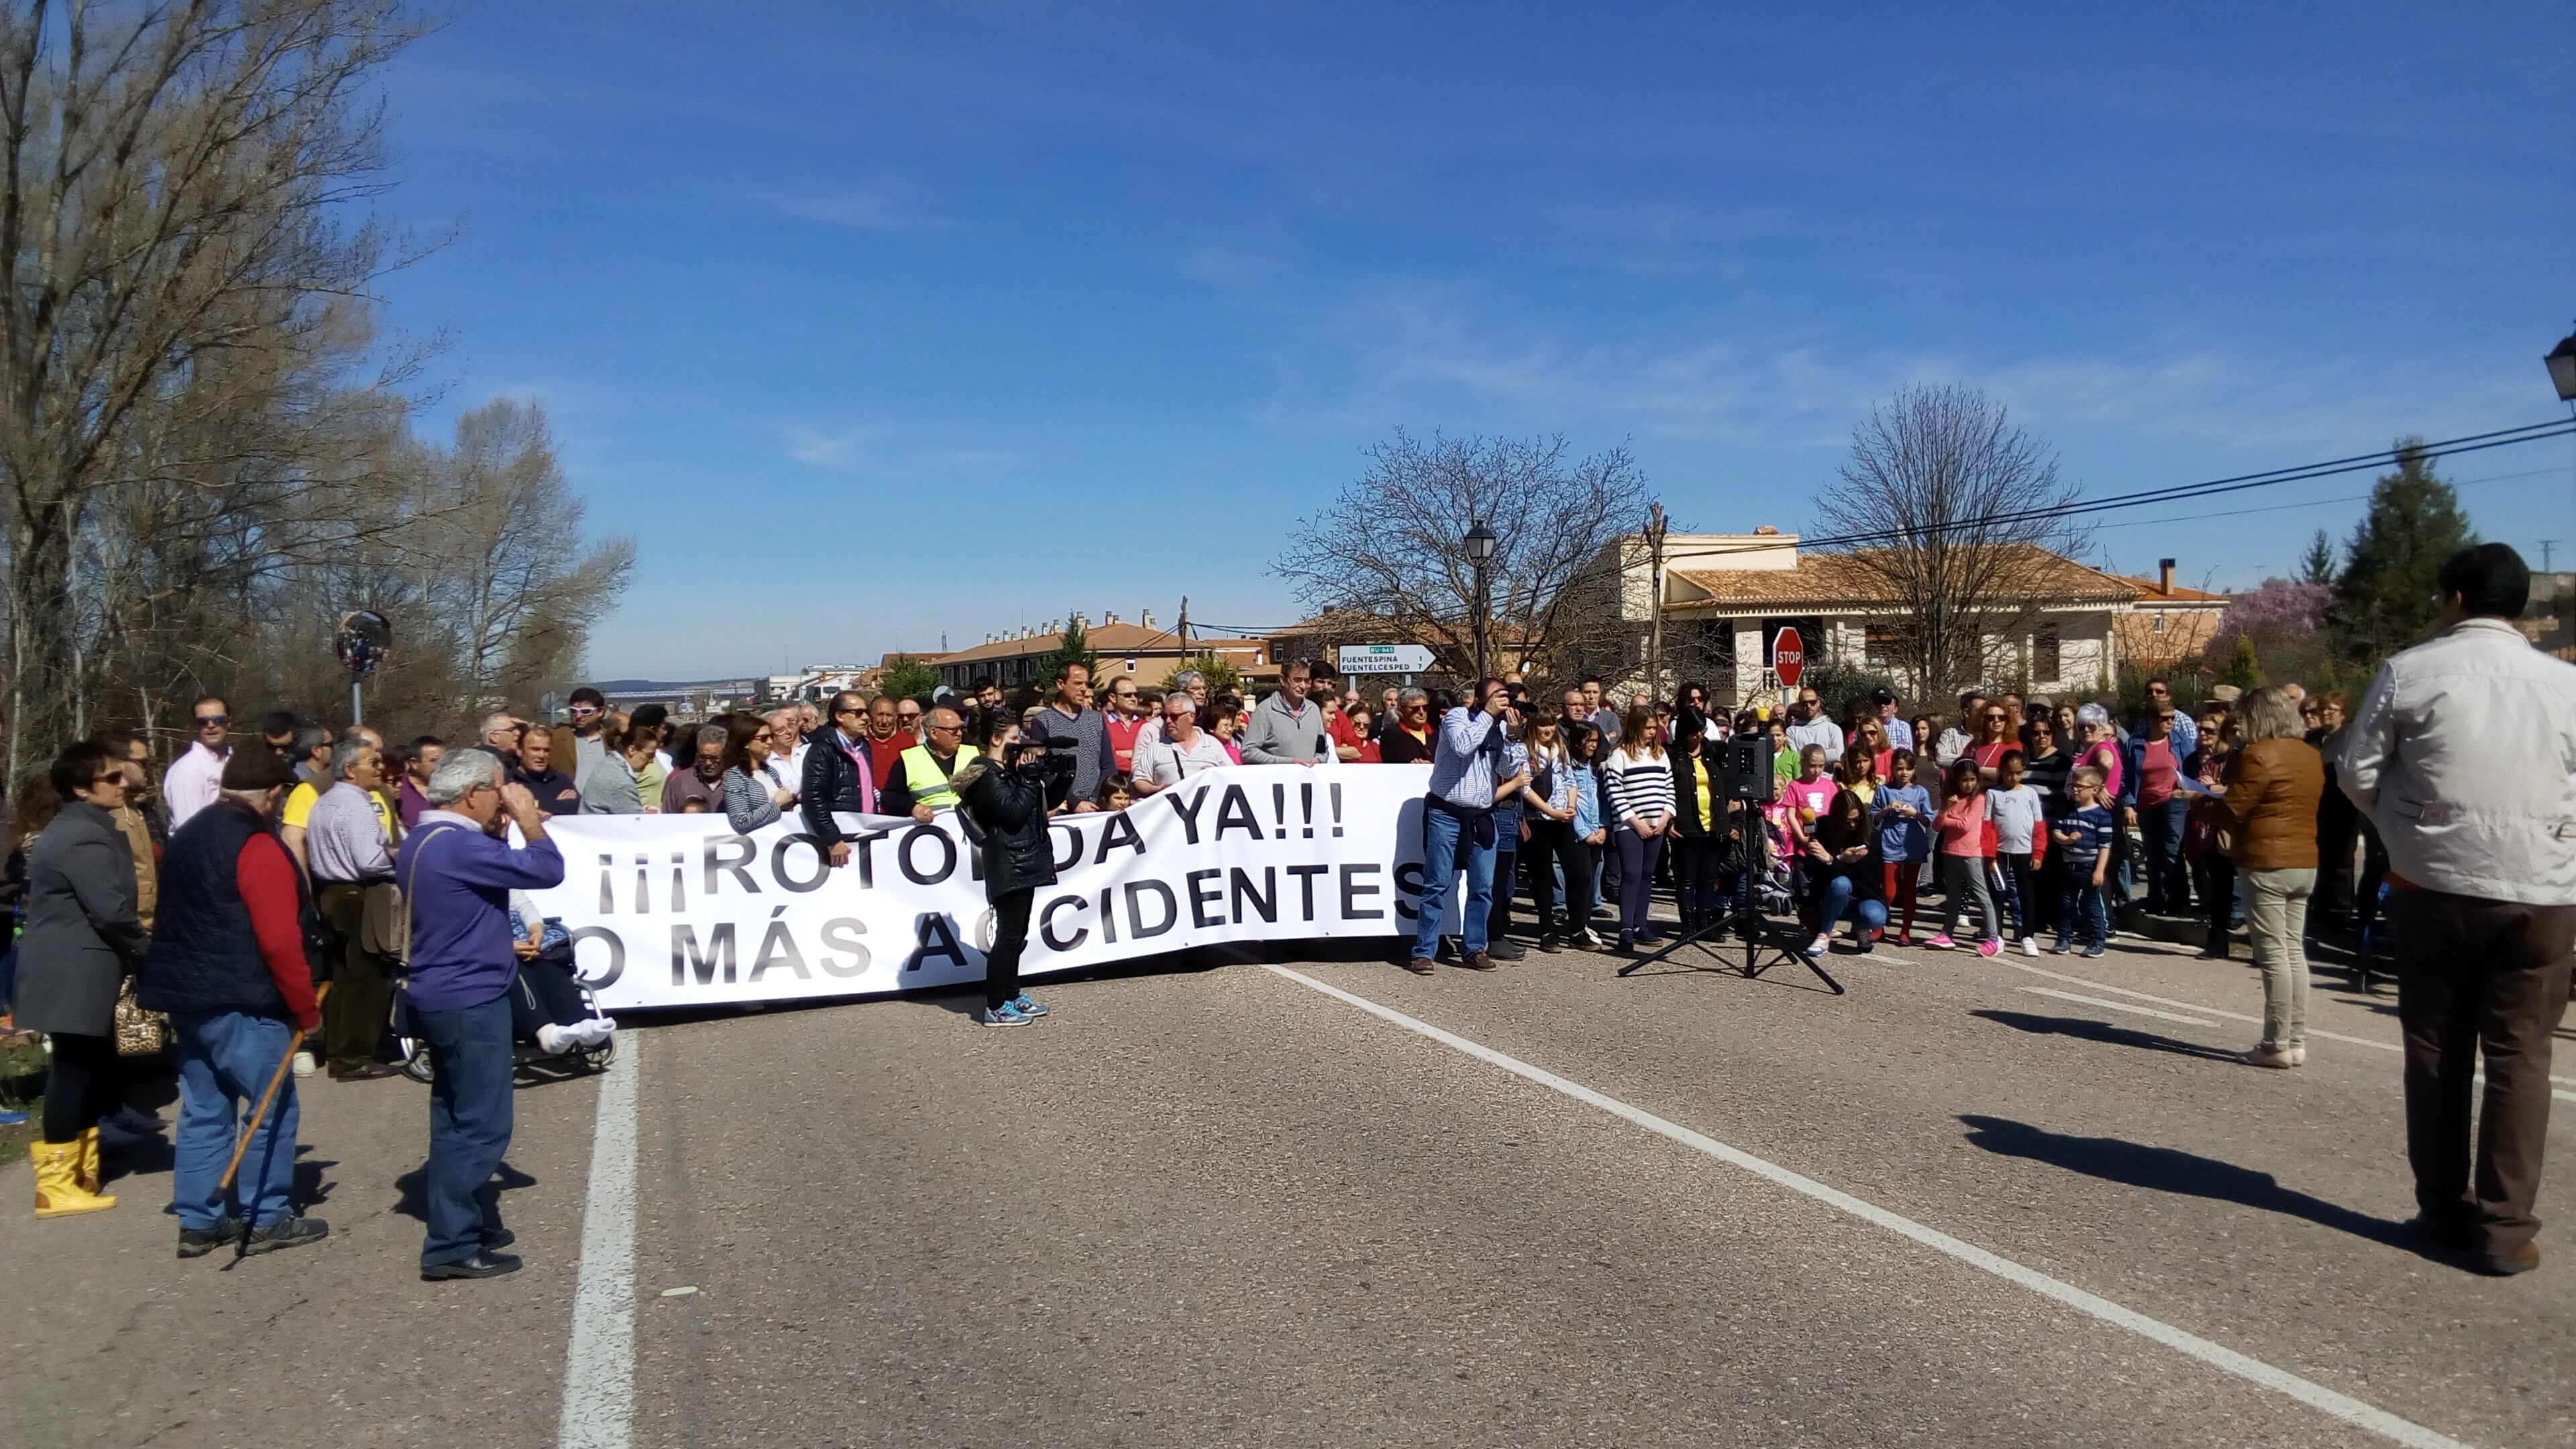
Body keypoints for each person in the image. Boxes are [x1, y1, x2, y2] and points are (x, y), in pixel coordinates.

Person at [2338, 543, 2576, 1276]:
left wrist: (2404, 835)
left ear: (2456, 599)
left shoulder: (2413, 671)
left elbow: (2356, 771)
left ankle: (2442, 1209)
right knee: (2521, 1058)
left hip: (2434, 884)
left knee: (2438, 1050)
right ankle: (2506, 1229)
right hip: (2541, 888)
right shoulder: (2566, 684)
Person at [134, 747, 328, 1255]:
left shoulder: (190, 834)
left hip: (189, 995)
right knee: (271, 1108)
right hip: (244, 997)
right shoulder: (255, 844)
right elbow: (278, 937)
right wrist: (305, 1007)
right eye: (280, 795)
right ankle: (267, 1215)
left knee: (203, 1110)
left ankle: (199, 1220)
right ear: (270, 794)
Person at [398, 747, 564, 1280]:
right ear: (472, 795)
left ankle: (462, 1216)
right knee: (483, 1125)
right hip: (470, 999)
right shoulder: (457, 847)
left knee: (452, 1116)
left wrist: (502, 821)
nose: (507, 801)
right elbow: (547, 868)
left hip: (438, 994)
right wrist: (529, 820)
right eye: (499, 791)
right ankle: (450, 1244)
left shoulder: (423, 841)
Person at [16, 742, 152, 1218]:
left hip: (81, 964)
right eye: (111, 778)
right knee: (71, 1071)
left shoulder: (90, 827)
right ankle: (54, 1184)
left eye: (122, 776)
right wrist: (147, 950)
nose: (123, 783)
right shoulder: (82, 835)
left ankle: (80, 1170)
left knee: (86, 1067)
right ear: (80, 788)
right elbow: (110, 909)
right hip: (71, 967)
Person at [2199, 686, 2323, 1060]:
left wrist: (2197, 802)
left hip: (2266, 861)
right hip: (2304, 860)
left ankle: (2275, 1044)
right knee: (2292, 951)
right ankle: (2296, 1040)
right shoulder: (2309, 755)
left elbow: (2231, 811)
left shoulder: (2258, 754)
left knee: (2272, 955)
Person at [953, 709, 1071, 1026]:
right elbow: (1013, 814)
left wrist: (1062, 777)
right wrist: (1029, 778)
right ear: (995, 739)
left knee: (1018, 934)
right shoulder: (985, 775)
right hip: (1008, 862)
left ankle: (1012, 993)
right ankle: (995, 1004)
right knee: (1007, 936)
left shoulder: (1007, 771)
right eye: (1015, 739)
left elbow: (1040, 807)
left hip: (1026, 858)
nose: (1020, 745)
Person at [1407, 678, 1527, 973]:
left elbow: (1508, 770)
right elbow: (1462, 747)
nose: (1503, 703)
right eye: (1498, 697)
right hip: (1446, 813)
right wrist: (1487, 714)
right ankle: (1424, 951)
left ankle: (1475, 947)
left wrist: (1512, 737)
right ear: (1481, 699)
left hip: (1482, 815)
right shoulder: (1459, 717)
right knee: (1437, 883)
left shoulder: (1499, 728)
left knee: (1483, 887)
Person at [305, 738, 405, 1080]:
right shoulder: (357, 805)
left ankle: (340, 1049)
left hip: (331, 894)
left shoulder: (322, 803)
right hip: (358, 895)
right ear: (350, 770)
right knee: (367, 976)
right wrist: (396, 857)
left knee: (344, 976)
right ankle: (355, 1055)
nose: (379, 768)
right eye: (372, 762)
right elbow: (369, 860)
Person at [1601, 703, 1675, 955]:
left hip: (1657, 824)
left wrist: (1665, 818)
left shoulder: (1661, 754)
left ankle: (1641, 924)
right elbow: (1615, 792)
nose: (1653, 733)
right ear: (1636, 728)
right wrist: (1635, 822)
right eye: (1648, 728)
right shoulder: (1619, 755)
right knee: (1631, 874)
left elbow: (1669, 788)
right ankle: (1625, 928)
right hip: (1630, 825)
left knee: (1647, 874)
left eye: (1655, 728)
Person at [1517, 713, 1582, 952]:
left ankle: (1577, 928)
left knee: (1578, 873)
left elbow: (1570, 780)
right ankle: (1547, 930)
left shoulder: (1560, 749)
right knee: (1542, 876)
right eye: (1542, 724)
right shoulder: (1526, 751)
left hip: (1564, 819)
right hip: (1538, 819)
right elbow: (1524, 788)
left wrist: (1571, 806)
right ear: (1534, 727)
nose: (1547, 729)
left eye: (1550, 724)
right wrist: (1550, 812)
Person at [1927, 759, 2001, 956]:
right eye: (1963, 780)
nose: (1968, 784)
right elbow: (1936, 825)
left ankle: (1993, 937)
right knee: (1953, 896)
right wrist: (1946, 810)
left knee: (1981, 895)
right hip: (1950, 851)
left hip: (1971, 853)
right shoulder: (1951, 799)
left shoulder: (1978, 799)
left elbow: (1965, 825)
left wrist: (1947, 818)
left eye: (1972, 780)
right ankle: (1947, 932)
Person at [802, 692, 883, 867]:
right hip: (840, 840)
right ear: (839, 716)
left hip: (866, 832)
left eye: (867, 712)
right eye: (858, 713)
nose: (867, 718)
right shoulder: (823, 749)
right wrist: (833, 839)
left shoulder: (863, 746)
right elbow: (814, 798)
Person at [2123, 708, 2190, 915]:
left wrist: (2188, 791)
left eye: (2172, 718)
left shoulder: (2180, 741)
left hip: (2174, 801)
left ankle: (2177, 900)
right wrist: (2129, 804)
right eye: (2164, 718)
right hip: (2146, 802)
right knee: (2152, 853)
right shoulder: (2135, 744)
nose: (2169, 722)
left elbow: (2191, 767)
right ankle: (2156, 898)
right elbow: (2126, 776)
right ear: (2151, 719)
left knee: (2172, 850)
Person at [1803, 787, 1886, 956]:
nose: (1853, 825)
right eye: (1847, 821)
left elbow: (1866, 876)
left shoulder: (1870, 835)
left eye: (1857, 819)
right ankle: (1824, 934)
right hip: (1831, 898)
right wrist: (1840, 860)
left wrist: (1832, 860)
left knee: (1875, 916)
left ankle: (1862, 927)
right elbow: (1812, 869)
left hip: (1865, 894)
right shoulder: (1822, 828)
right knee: (1841, 882)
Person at [1024, 661, 1116, 811]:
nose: (1084, 689)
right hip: (1062, 806)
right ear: (1061, 684)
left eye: (1086, 684)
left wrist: (1096, 797)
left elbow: (1108, 765)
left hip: (1097, 805)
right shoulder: (1042, 721)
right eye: (1078, 683)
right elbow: (1047, 771)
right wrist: (1074, 801)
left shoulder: (1097, 719)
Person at [1665, 709, 1725, 934]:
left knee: (1708, 878)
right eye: (1694, 732)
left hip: (1711, 823)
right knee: (1687, 878)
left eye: (1702, 731)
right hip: (1685, 824)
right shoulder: (1673, 757)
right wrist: (1669, 823)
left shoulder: (1713, 754)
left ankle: (1706, 922)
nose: (1699, 736)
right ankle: (1688, 923)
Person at [1482, 699, 1532, 961]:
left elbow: (1525, 771)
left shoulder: (1516, 737)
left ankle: (1498, 932)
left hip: (1512, 810)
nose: (1518, 715)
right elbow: (1506, 773)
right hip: (1497, 808)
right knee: (1494, 880)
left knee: (1504, 880)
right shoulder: (1492, 733)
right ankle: (1491, 935)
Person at [2050, 767, 2116, 957]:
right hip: (2068, 864)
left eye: (2080, 786)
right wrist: (2067, 839)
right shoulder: (2067, 811)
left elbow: (2105, 846)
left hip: (2089, 866)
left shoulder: (2101, 816)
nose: (2075, 790)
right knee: (2065, 905)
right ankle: (2064, 939)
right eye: (2073, 786)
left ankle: (2097, 942)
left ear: (2095, 790)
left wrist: (2100, 870)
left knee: (2092, 904)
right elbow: (2056, 833)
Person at [1988, 751, 2045, 956]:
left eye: (2018, 773)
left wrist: (2038, 853)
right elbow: (1988, 826)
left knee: (2026, 893)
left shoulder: (2030, 794)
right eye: (2009, 773)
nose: (2014, 777)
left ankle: (2027, 936)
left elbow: (2039, 826)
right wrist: (1989, 854)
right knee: (1998, 893)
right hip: (2000, 852)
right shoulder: (1993, 794)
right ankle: (1997, 935)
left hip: (2025, 851)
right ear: (2001, 772)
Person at [1873, 750, 1932, 945]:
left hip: (1913, 843)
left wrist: (1914, 813)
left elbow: (1928, 820)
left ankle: (1905, 930)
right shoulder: (1883, 790)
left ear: (1914, 769)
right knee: (1889, 891)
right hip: (1890, 843)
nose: (1904, 773)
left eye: (1908, 768)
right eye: (1899, 768)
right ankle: (1878, 925)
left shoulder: (1920, 792)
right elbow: (1874, 817)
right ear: (1892, 769)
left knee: (1909, 890)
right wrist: (1888, 809)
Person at [1131, 691, 1230, 794]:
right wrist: (1158, 789)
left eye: (1174, 716)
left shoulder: (1213, 744)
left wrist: (1216, 775)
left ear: (1191, 716)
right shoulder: (1156, 747)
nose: (1168, 721)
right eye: (1165, 716)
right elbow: (1139, 780)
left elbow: (1232, 776)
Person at [881, 706, 969, 822]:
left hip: (971, 831)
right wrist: (912, 808)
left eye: (961, 728)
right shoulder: (909, 759)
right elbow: (889, 797)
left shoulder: (974, 755)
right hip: (931, 832)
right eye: (953, 730)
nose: (959, 734)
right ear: (934, 733)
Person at [1242, 657, 1334, 767]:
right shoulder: (1264, 711)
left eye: (1306, 681)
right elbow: (1248, 752)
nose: (1303, 686)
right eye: (1297, 680)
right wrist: (1288, 762)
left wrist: (1320, 759)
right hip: (1278, 781)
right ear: (1282, 680)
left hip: (1309, 780)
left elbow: (1323, 749)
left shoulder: (1314, 709)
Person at [720, 714, 798, 833]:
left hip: (780, 837)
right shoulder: (735, 777)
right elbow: (741, 822)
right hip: (757, 844)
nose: (770, 742)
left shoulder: (771, 772)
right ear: (746, 743)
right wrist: (776, 804)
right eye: (763, 738)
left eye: (771, 736)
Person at [274, 722, 335, 875]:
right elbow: (292, 836)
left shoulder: (323, 780)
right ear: (317, 751)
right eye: (331, 745)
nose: (335, 750)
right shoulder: (297, 783)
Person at [164, 696, 233, 828]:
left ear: (228, 723)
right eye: (203, 721)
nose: (211, 725)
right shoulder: (187, 769)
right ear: (195, 726)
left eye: (219, 720)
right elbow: (190, 828)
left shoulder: (238, 762)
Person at [577, 720, 657, 815]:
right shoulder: (620, 781)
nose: (651, 761)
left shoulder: (608, 763)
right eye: (650, 755)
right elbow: (636, 822)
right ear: (632, 750)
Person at [510, 725, 583, 816]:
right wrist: (556, 803)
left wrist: (535, 804)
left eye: (547, 750)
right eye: (535, 749)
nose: (542, 755)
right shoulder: (509, 780)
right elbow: (509, 808)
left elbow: (575, 806)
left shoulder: (560, 779)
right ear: (520, 750)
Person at [663, 722, 732, 815]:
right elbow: (668, 819)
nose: (708, 763)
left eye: (715, 758)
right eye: (702, 757)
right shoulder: (680, 782)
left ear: (727, 755)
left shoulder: (742, 782)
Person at [550, 686, 610, 782]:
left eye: (585, 711)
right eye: (574, 711)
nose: (578, 716)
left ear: (600, 712)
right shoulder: (557, 737)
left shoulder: (611, 740)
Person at [2139, 677, 2200, 761]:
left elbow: (2193, 753)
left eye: (2159, 692)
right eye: (2149, 692)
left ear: (2168, 697)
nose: (2154, 695)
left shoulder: (2183, 720)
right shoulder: (2141, 722)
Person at [864, 695, 916, 792]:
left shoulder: (907, 742)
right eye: (880, 715)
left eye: (889, 716)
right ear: (870, 715)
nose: (884, 721)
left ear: (895, 717)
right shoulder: (860, 741)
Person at [1102, 676, 1148, 772]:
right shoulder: (1103, 726)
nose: (1134, 699)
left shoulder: (1146, 726)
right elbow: (1110, 759)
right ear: (1113, 698)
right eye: (1128, 695)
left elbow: (1152, 757)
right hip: (1116, 782)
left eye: (1136, 695)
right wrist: (1139, 762)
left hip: (1144, 782)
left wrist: (1124, 753)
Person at [1784, 686, 1845, 761]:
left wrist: (1804, 753)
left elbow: (1838, 755)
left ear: (1818, 702)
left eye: (1812, 702)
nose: (1809, 706)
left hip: (1826, 773)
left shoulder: (1833, 729)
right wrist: (1827, 752)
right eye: (1804, 703)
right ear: (1799, 704)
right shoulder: (1792, 731)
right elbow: (1795, 758)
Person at [398, 736, 445, 829]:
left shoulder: (453, 788)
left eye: (444, 760)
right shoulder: (398, 788)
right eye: (434, 760)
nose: (441, 765)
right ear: (414, 763)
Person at [1380, 688, 1435, 764]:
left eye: (1425, 708)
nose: (1422, 712)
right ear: (1401, 711)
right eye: (1415, 709)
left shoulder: (1437, 735)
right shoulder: (1391, 735)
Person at [1874, 688, 1913, 752]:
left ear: (1895, 709)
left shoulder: (1903, 727)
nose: (1882, 705)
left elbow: (1906, 752)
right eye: (1879, 702)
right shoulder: (1869, 727)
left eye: (1886, 702)